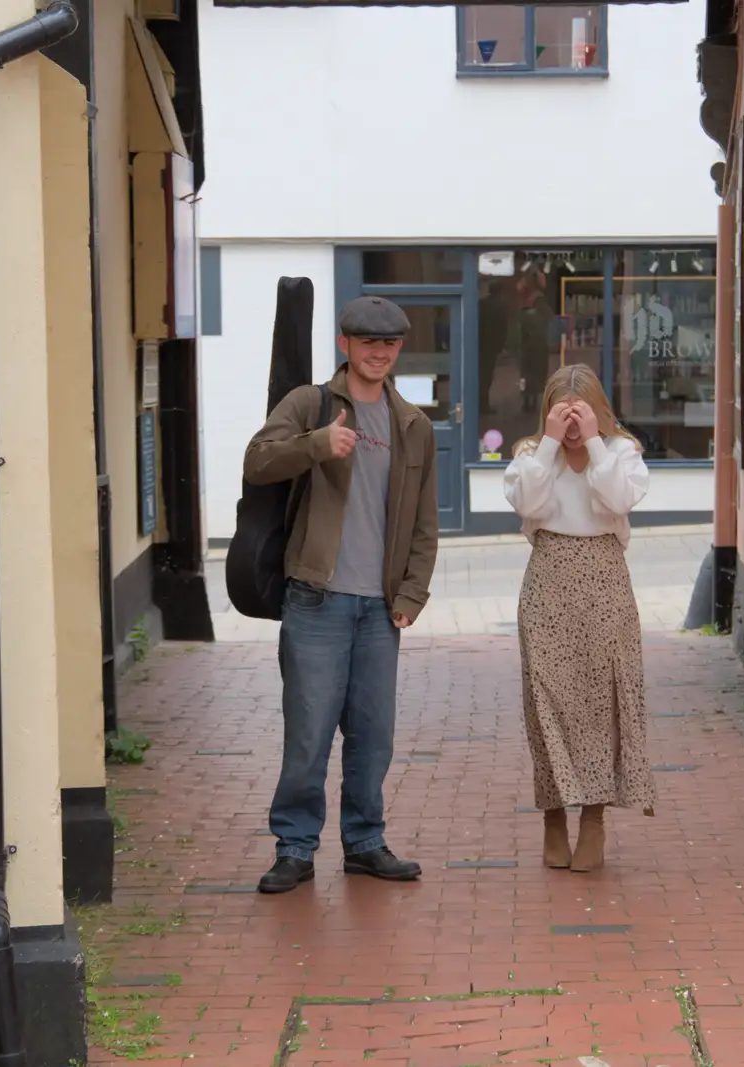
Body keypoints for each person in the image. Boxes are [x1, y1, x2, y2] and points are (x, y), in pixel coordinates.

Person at [243, 295, 440, 894]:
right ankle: (295, 848)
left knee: (373, 732)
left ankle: (364, 843)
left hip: (381, 608)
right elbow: (257, 461)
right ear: (345, 345)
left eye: (389, 344)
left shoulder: (413, 425)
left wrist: (412, 592)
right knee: (308, 731)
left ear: (398, 349)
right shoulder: (311, 404)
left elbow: (425, 523)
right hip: (316, 597)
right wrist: (315, 446)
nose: (379, 353)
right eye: (367, 342)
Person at [503, 364, 655, 873]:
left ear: (598, 408)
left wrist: (594, 443)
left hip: (605, 582)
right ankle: (552, 818)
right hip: (548, 580)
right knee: (546, 704)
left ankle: (593, 821)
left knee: (602, 704)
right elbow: (528, 503)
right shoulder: (530, 455)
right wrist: (547, 444)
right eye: (563, 413)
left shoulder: (621, 452)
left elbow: (617, 499)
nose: (571, 422)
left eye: (581, 410)